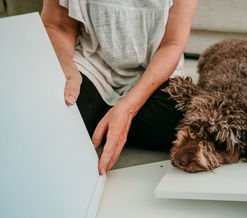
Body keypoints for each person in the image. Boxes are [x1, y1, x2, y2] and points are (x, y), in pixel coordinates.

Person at [41, 0, 198, 175]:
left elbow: (172, 44)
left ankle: (105, 120)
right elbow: (57, 26)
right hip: (90, 65)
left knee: (179, 125)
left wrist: (128, 109)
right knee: (51, 120)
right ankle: (106, 121)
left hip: (151, 73)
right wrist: (66, 67)